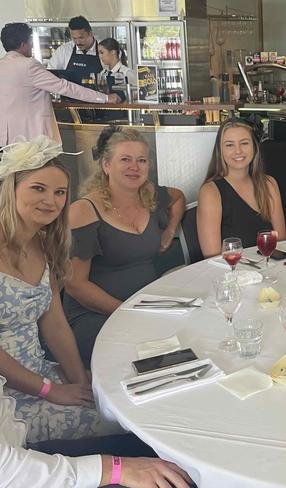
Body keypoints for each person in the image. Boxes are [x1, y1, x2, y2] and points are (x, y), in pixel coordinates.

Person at [0, 136, 123, 443]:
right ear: (10, 189)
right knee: (115, 422)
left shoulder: (43, 244)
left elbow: (55, 325)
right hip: (8, 398)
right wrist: (50, 390)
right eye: (38, 188)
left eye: (59, 193)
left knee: (120, 400)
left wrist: (80, 382)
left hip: (39, 371)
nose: (50, 201)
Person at [63, 127, 185, 367]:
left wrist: (169, 230)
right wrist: (127, 313)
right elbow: (76, 285)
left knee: (192, 336)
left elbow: (179, 197)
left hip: (144, 306)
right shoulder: (84, 210)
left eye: (141, 160)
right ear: (106, 165)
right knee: (157, 356)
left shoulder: (149, 194)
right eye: (125, 159)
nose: (135, 167)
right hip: (97, 315)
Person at [1, 377, 193, 488]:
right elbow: (8, 472)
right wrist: (117, 468)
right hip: (18, 472)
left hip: (22, 454)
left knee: (163, 450)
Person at [0, 23, 119, 146]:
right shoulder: (29, 65)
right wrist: (105, 98)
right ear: (23, 44)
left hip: (6, 138)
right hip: (31, 139)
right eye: (30, 42)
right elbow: (65, 87)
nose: (31, 46)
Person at [197, 117, 286, 257]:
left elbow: (280, 244)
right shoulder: (210, 192)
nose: (238, 151)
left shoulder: (269, 184)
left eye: (244, 143)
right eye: (229, 145)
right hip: (230, 274)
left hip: (269, 271)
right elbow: (212, 258)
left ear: (254, 147)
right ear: (220, 151)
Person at [48, 16, 103, 82]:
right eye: (74, 38)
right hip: (71, 92)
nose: (78, 42)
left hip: (96, 92)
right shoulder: (63, 50)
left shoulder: (104, 49)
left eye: (81, 38)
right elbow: (50, 75)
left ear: (90, 33)